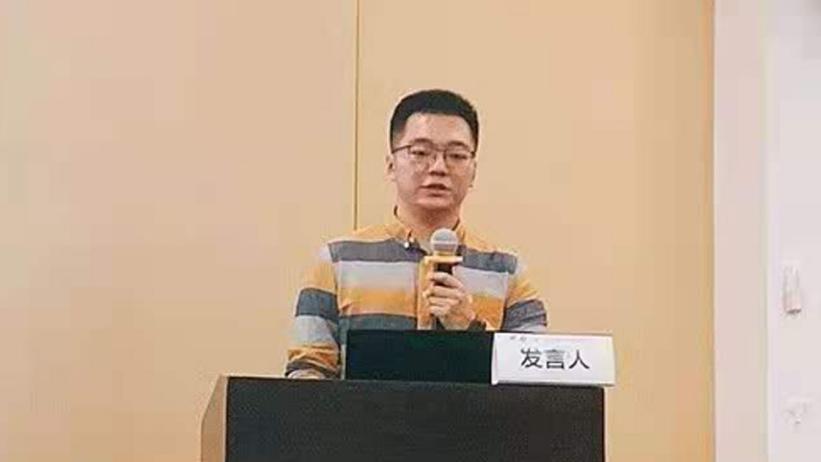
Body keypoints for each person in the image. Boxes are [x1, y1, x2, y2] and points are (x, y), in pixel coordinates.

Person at [285, 89, 548, 379]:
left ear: (473, 172)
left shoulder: (508, 273)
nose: (438, 168)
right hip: (363, 412)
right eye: (420, 153)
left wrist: (470, 327)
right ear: (391, 166)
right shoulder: (337, 262)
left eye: (456, 155)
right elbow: (306, 373)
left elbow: (534, 380)